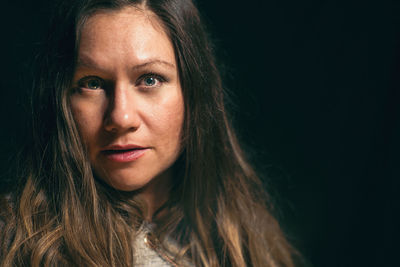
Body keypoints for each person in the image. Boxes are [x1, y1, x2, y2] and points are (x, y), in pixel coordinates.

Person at [0, 0, 298, 266]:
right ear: (59, 99)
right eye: (92, 83)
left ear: (194, 91)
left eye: (150, 79)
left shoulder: (244, 238)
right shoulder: (15, 244)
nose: (121, 117)